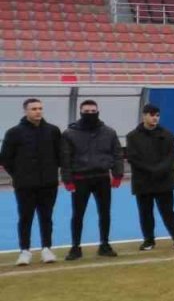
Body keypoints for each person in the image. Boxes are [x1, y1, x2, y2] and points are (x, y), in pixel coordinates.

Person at [1, 98, 62, 266]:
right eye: (34, 108)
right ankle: (25, 251)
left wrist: (51, 171)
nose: (38, 111)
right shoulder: (14, 132)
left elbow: (60, 155)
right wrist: (19, 175)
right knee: (25, 218)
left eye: (40, 108)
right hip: (24, 185)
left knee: (46, 217)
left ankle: (47, 249)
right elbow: (6, 159)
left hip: (48, 184)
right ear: (25, 111)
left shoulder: (53, 131)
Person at [61, 99, 124, 260]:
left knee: (105, 213)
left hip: (102, 178)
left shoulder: (108, 132)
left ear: (98, 112)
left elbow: (117, 154)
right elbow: (65, 158)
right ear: (80, 112)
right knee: (78, 215)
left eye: (93, 111)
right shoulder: (69, 133)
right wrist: (67, 179)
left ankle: (104, 245)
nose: (90, 114)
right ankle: (75, 247)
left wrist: (117, 174)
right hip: (80, 179)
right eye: (86, 111)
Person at [125, 104, 174, 251]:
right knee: (145, 212)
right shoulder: (132, 136)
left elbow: (172, 155)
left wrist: (160, 169)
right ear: (144, 116)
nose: (155, 118)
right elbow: (133, 158)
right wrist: (150, 170)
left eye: (157, 115)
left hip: (164, 179)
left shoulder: (167, 134)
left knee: (168, 212)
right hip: (143, 180)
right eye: (152, 115)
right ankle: (148, 241)